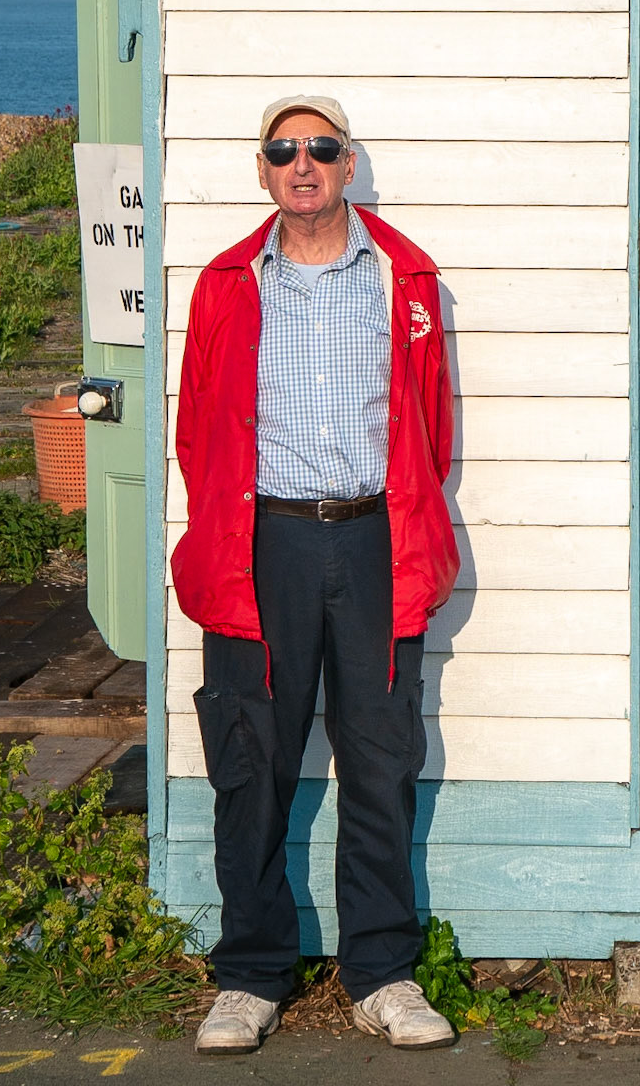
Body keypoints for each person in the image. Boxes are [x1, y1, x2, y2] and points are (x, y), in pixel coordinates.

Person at [175, 96, 459, 1054]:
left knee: (380, 761)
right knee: (249, 760)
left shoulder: (402, 278)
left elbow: (433, 424)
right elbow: (198, 429)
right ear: (263, 171)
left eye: (322, 149)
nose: (303, 165)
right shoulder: (224, 283)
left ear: (347, 166)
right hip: (262, 547)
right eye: (284, 151)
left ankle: (382, 971)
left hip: (377, 540)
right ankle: (252, 974)